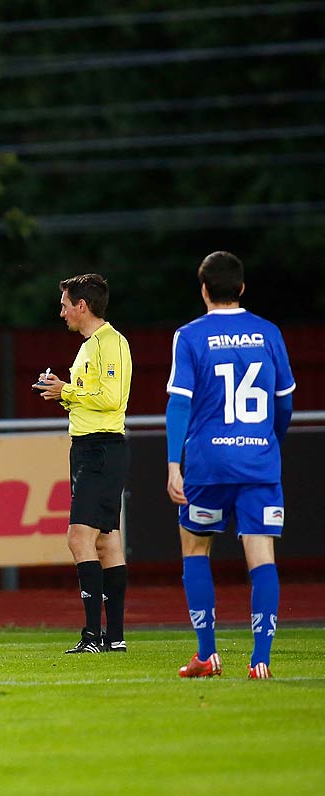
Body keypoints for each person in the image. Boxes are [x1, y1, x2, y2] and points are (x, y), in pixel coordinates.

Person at [167, 252, 296, 679]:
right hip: (258, 462)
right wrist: (268, 445)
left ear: (204, 289)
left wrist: (173, 465)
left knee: (196, 546)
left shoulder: (189, 336)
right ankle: (260, 659)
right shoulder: (269, 332)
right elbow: (285, 403)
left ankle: (207, 654)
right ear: (241, 288)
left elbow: (179, 404)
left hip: (208, 463)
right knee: (262, 558)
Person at [36, 273, 134, 654]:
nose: (61, 312)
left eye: (65, 304)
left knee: (79, 538)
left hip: (101, 448)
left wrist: (69, 390)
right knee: (107, 542)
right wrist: (60, 392)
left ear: (82, 305)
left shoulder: (111, 343)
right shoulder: (89, 346)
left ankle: (92, 636)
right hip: (90, 447)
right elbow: (90, 397)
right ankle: (116, 637)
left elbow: (110, 398)